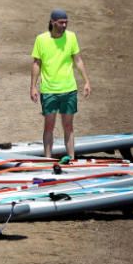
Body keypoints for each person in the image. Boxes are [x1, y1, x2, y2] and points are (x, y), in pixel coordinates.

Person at [30, 9, 92, 159]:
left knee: (69, 126)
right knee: (49, 126)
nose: (64, 25)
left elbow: (78, 60)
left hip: (69, 89)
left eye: (66, 22)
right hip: (49, 90)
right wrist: (33, 86)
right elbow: (37, 63)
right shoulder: (41, 39)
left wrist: (86, 81)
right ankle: (48, 159)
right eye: (61, 22)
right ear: (52, 22)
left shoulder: (71, 37)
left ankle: (71, 158)